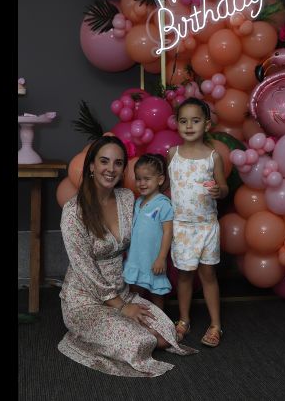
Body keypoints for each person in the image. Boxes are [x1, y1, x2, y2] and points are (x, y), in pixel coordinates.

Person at [57, 135, 196, 377]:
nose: (111, 169)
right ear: (91, 166)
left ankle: (110, 331)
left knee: (166, 334)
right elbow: (84, 268)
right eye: (104, 161)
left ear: (123, 169)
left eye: (118, 163)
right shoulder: (73, 212)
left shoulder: (126, 198)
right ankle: (82, 334)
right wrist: (121, 307)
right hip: (86, 298)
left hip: (122, 291)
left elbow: (151, 228)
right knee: (142, 341)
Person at [167, 98, 229, 348]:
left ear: (207, 124)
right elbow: (167, 186)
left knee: (208, 274)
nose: (189, 126)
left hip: (206, 226)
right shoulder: (173, 154)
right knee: (184, 275)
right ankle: (184, 319)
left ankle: (215, 325)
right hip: (182, 226)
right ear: (177, 124)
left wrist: (219, 191)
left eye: (195, 121)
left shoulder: (213, 157)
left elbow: (224, 186)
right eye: (183, 121)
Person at [123, 153, 173, 310]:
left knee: (157, 292)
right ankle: (136, 321)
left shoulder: (163, 204)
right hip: (136, 258)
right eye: (138, 179)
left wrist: (161, 258)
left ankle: (161, 321)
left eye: (147, 179)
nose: (142, 183)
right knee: (135, 293)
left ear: (160, 179)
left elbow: (168, 233)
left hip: (153, 259)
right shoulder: (138, 202)